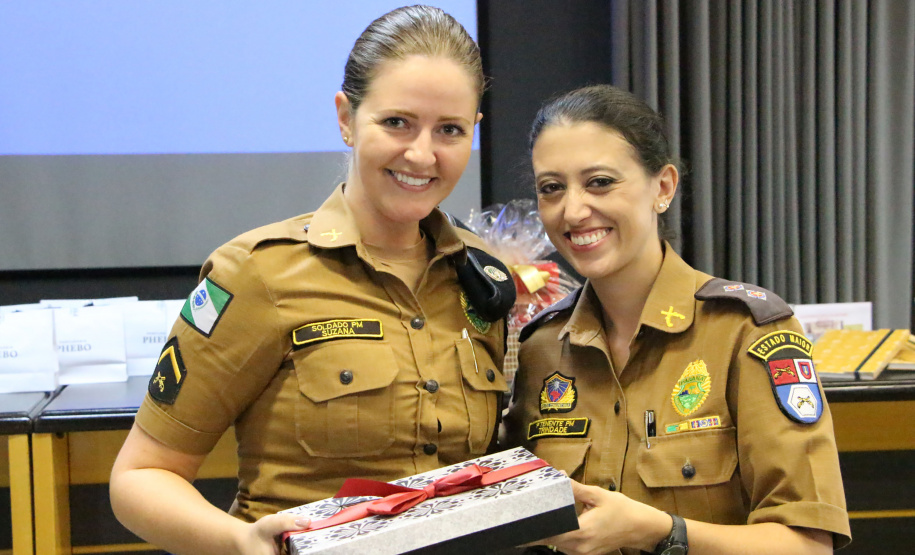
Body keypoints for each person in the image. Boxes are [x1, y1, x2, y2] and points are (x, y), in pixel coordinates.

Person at [110, 6, 513, 555]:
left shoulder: (481, 277)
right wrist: (240, 541)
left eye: (449, 130)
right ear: (346, 118)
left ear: (474, 132)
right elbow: (138, 479)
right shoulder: (256, 272)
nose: (422, 154)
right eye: (396, 122)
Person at [502, 85, 851, 555]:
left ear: (662, 187)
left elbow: (808, 546)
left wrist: (662, 531)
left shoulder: (745, 331)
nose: (574, 210)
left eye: (600, 182)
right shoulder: (541, 347)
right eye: (552, 188)